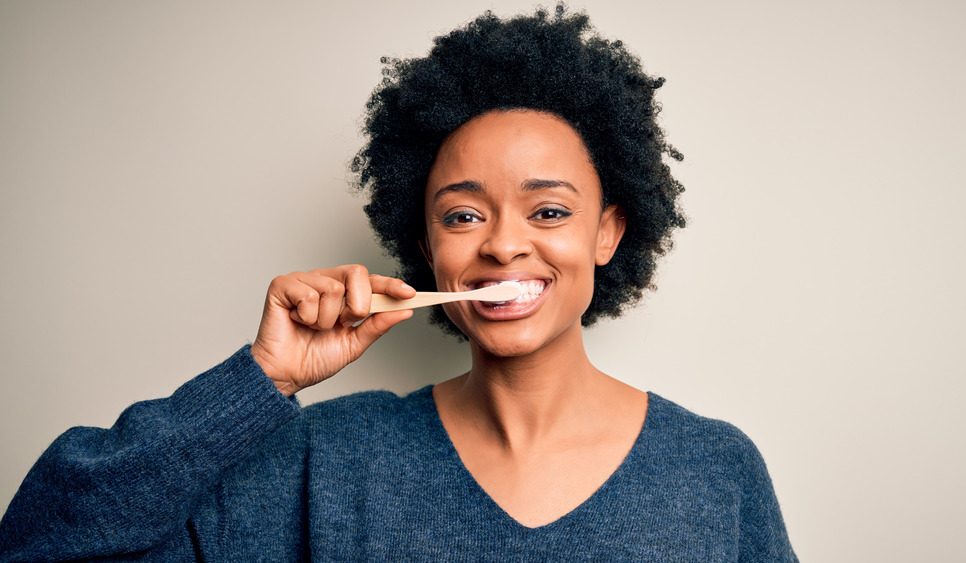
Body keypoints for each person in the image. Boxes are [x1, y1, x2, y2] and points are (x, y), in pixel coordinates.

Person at [0, 6, 797, 561]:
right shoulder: (327, 458)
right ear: (426, 247)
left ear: (608, 232)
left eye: (548, 209)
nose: (503, 245)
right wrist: (257, 382)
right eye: (462, 217)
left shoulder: (715, 471)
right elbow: (41, 543)